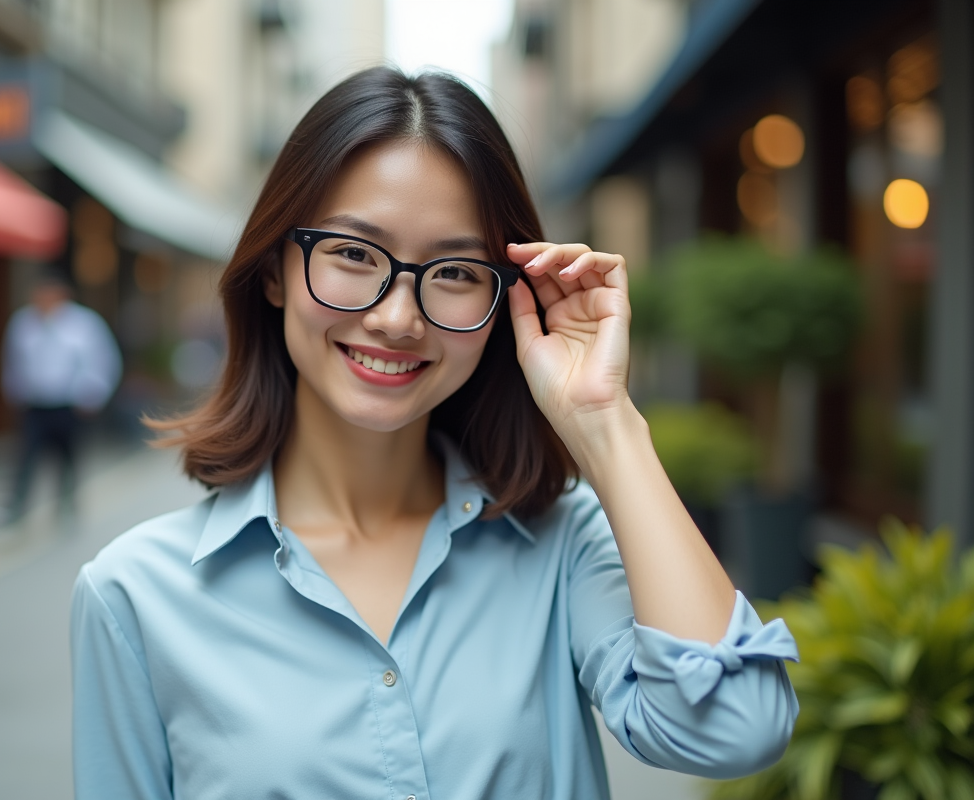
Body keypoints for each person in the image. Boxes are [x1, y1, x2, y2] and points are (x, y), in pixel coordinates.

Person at [71, 68, 799, 799]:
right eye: (354, 254)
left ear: (502, 300)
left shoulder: (563, 545)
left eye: (453, 271)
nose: (397, 318)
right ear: (274, 272)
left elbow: (737, 727)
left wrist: (604, 422)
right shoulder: (135, 595)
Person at [0, 270, 121, 524]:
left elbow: (102, 360)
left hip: (70, 403)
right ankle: (16, 508)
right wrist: (14, 392)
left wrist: (92, 395)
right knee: (25, 457)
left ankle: (67, 504)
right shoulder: (23, 322)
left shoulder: (84, 323)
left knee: (68, 456)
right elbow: (13, 361)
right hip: (35, 403)